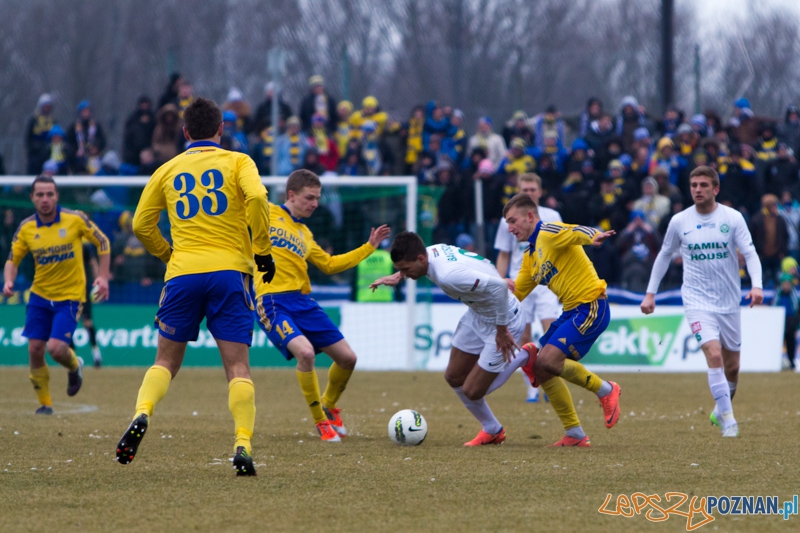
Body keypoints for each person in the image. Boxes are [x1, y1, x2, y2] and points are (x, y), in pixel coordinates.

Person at [114, 97, 274, 476]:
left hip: (183, 273)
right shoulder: (238, 161)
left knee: (165, 361)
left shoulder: (167, 169)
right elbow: (258, 197)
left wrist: (168, 254)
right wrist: (263, 250)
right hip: (230, 273)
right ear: (221, 130)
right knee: (237, 367)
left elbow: (140, 225)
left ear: (185, 132)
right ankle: (242, 444)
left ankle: (142, 413)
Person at [253, 169, 390, 442]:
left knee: (348, 358)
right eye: (310, 197)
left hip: (302, 301)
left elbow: (329, 265)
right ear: (291, 195)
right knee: (306, 354)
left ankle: (328, 406)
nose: (315, 203)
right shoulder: (265, 212)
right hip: (271, 301)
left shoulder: (305, 233)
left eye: (317, 198)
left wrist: (369, 247)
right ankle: (320, 423)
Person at [371, 232, 528, 446]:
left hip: (504, 319)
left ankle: (526, 355)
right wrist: (398, 276)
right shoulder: (431, 251)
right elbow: (477, 264)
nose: (404, 273)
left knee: (473, 391)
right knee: (454, 377)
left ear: (420, 259)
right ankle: (492, 430)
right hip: (479, 313)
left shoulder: (448, 275)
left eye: (405, 269)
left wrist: (501, 330)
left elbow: (499, 288)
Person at [641, 166, 763, 438]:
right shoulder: (679, 221)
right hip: (696, 300)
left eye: (703, 185)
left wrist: (757, 286)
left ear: (715, 189)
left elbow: (751, 253)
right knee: (714, 354)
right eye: (693, 184)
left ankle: (719, 410)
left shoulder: (732, 218)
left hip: (729, 301)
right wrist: (650, 293)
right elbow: (664, 255)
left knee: (733, 367)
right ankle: (729, 421)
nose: (697, 189)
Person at [503, 193, 621, 447]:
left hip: (591, 305)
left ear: (530, 217)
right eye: (507, 223)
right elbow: (517, 293)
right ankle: (575, 434)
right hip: (571, 312)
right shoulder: (531, 256)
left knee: (547, 359)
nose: (509, 228)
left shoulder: (548, 231)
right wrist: (487, 293)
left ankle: (607, 391)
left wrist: (594, 236)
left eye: (513, 221)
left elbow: (575, 230)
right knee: (541, 367)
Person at [3, 175, 111, 414]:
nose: (45, 199)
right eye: (39, 195)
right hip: (40, 296)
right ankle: (45, 404)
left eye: (49, 194)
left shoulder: (75, 219)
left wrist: (102, 276)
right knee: (35, 350)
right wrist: (9, 280)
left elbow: (102, 242)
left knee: (57, 349)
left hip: (70, 296)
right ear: (31, 198)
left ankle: (75, 367)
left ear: (57, 197)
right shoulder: (27, 228)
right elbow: (12, 260)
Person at [493, 174, 562, 402]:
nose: (529, 193)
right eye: (525, 189)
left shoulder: (553, 217)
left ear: (540, 192)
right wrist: (497, 283)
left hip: (547, 282)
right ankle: (532, 384)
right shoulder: (510, 220)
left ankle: (550, 381)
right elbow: (504, 254)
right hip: (519, 281)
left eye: (533, 189)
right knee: (524, 335)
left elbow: (563, 251)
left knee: (552, 332)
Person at [773, 273, 799, 371]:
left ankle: (791, 362)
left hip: (791, 323)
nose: (786, 286)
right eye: (784, 283)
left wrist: (797, 326)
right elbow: (774, 308)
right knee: (777, 343)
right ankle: (776, 362)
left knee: (791, 343)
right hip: (779, 322)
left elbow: (797, 313)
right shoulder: (778, 296)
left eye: (788, 283)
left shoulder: (795, 297)